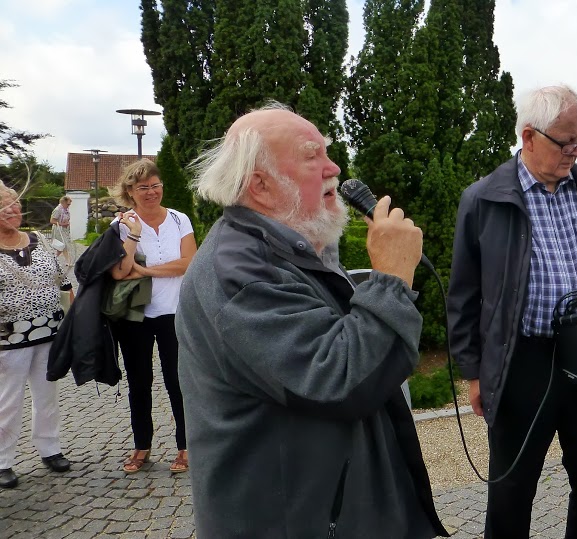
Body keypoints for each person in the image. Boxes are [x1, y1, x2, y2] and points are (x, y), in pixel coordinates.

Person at [177, 102, 448, 539]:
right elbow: (342, 380)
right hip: (293, 521)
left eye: (327, 151)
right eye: (312, 156)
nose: (333, 167)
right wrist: (392, 281)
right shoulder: (242, 275)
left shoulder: (295, 248)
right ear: (261, 185)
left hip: (333, 510)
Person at [446, 85, 577, 538]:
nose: (575, 151)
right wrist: (474, 373)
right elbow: (463, 294)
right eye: (565, 141)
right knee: (511, 493)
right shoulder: (483, 199)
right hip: (521, 361)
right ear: (529, 137)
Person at [107, 159, 196, 475]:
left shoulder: (179, 219)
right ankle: (142, 445)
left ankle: (186, 445)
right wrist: (133, 235)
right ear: (130, 191)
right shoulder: (121, 225)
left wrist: (145, 271)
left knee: (178, 382)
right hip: (135, 316)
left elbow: (189, 263)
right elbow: (120, 271)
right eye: (142, 187)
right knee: (139, 382)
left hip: (175, 312)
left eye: (155, 185)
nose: (151, 192)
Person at [0, 183, 73, 489]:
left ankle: (50, 448)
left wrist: (74, 316)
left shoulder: (39, 239)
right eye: (5, 206)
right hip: (8, 340)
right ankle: (2, 461)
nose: (13, 210)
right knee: (8, 402)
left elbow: (63, 280)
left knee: (47, 396)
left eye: (15, 204)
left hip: (49, 332)